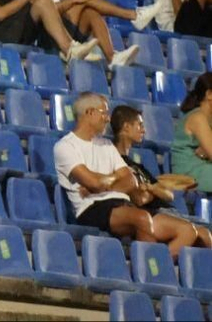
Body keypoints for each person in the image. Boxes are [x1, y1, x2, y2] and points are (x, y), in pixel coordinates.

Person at [55, 92, 194, 259]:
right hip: (91, 208)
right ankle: (150, 272)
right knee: (142, 218)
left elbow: (130, 181)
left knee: (191, 231)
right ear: (89, 112)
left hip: (122, 205)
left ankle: (158, 266)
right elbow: (92, 182)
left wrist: (104, 181)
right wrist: (112, 178)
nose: (107, 118)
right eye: (104, 112)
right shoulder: (65, 146)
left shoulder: (106, 144)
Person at [111, 105, 212, 251]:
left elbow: (168, 195)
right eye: (139, 125)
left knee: (206, 235)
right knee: (188, 231)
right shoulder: (116, 163)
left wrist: (150, 188)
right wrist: (153, 191)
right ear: (126, 127)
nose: (144, 130)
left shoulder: (138, 166)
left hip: (166, 211)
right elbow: (140, 199)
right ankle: (160, 266)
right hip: (150, 214)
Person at [173, 73, 212, 193]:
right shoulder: (198, 117)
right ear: (209, 94)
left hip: (203, 167)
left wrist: (205, 152)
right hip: (188, 174)